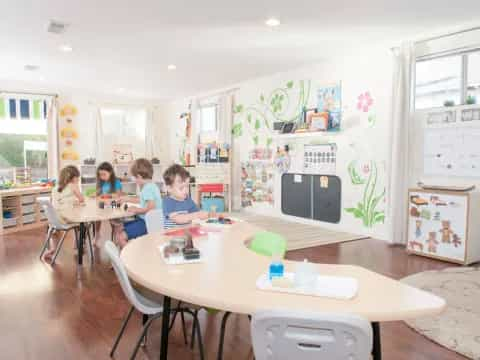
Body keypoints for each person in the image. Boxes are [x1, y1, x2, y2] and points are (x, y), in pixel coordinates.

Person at [115, 158, 162, 248]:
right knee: (120, 227)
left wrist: (137, 210)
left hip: (147, 222)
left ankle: (129, 258)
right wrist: (127, 199)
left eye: (134, 177)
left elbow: (151, 207)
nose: (134, 180)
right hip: (148, 221)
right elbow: (142, 199)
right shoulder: (151, 186)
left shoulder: (147, 188)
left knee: (120, 237)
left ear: (139, 177)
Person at [43, 165, 85, 262]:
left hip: (54, 220)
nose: (78, 179)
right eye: (77, 177)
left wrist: (72, 202)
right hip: (65, 219)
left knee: (56, 230)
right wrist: (77, 200)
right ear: (73, 178)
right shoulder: (73, 186)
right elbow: (82, 199)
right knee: (84, 224)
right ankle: (78, 245)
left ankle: (53, 249)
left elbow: (61, 202)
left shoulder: (56, 187)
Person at [162, 164, 209, 229]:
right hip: (171, 236)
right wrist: (196, 215)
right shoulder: (167, 201)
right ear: (169, 188)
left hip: (185, 234)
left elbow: (197, 212)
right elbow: (178, 219)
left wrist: (202, 214)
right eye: (181, 188)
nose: (185, 191)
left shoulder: (187, 200)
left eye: (187, 186)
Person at [94, 162, 123, 244]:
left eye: (104, 174)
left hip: (114, 204)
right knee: (97, 215)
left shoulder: (116, 182)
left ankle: (116, 236)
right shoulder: (102, 182)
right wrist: (96, 194)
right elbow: (99, 194)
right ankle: (97, 234)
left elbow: (118, 195)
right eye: (100, 175)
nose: (102, 177)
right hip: (105, 204)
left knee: (114, 219)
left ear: (110, 172)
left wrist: (107, 195)